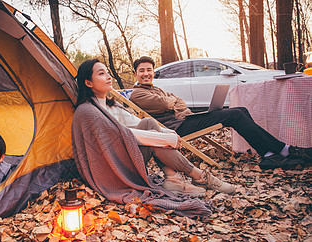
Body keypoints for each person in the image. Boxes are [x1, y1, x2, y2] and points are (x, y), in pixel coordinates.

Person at [73, 58, 235, 201]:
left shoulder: (110, 104)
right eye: (101, 74)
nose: (109, 77)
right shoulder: (88, 111)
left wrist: (169, 133)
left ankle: (173, 179)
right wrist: (166, 139)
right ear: (88, 83)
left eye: (108, 72)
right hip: (112, 169)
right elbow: (125, 135)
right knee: (152, 141)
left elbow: (136, 123)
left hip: (124, 156)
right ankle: (199, 176)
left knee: (149, 123)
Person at [130, 56, 312, 170]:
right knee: (235, 115)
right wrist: (172, 103)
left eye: (149, 70)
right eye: (142, 71)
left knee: (241, 110)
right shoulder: (137, 93)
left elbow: (179, 101)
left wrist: (173, 103)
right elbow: (166, 103)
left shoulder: (156, 88)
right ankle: (283, 149)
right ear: (136, 74)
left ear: (153, 71)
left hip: (185, 119)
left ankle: (269, 155)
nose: (146, 73)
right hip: (178, 128)